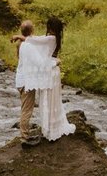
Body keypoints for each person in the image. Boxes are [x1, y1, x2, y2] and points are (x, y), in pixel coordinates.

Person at [12, 16, 75, 144]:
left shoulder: (38, 42)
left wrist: (20, 37)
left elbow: (36, 41)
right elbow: (38, 55)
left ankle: (44, 130)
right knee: (41, 105)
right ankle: (26, 137)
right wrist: (54, 62)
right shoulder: (40, 42)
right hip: (31, 79)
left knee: (47, 102)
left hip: (26, 79)